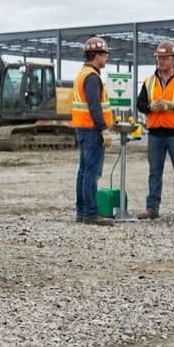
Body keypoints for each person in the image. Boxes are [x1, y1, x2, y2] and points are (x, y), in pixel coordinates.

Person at [135, 41, 174, 221]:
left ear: (173, 59)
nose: (160, 62)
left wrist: (170, 106)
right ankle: (152, 208)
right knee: (154, 173)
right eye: (158, 58)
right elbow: (140, 104)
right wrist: (150, 107)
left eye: (164, 58)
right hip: (155, 133)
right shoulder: (149, 81)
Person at [72, 37, 114, 226]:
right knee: (91, 173)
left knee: (83, 171)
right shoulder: (92, 77)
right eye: (105, 55)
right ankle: (90, 212)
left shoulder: (82, 74)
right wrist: (103, 129)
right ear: (97, 56)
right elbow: (94, 106)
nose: (106, 58)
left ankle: (82, 211)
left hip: (82, 128)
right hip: (91, 130)